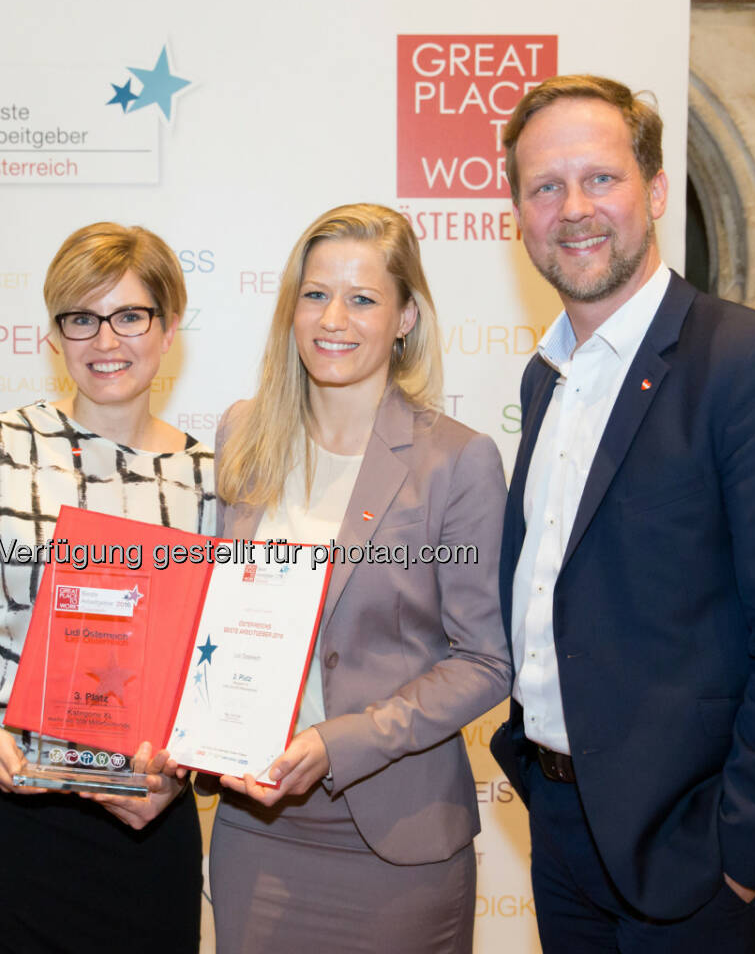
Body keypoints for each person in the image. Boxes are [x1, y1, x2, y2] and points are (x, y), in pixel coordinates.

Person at [488, 74, 755, 953]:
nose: (573, 208)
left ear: (655, 191)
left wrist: (747, 858)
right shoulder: (546, 378)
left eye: (601, 178)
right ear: (518, 214)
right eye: (545, 186)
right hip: (562, 830)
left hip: (695, 863)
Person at [207, 203, 512, 954]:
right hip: (257, 828)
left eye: (363, 298)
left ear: (405, 315)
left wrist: (342, 741)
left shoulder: (457, 461)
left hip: (397, 843)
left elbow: (485, 660)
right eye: (315, 294)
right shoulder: (242, 436)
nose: (332, 318)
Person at [0, 221, 212, 952]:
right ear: (54, 334)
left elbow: (214, 659)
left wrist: (180, 769)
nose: (105, 340)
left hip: (145, 810)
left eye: (130, 316)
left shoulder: (212, 480)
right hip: (5, 805)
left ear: (169, 328)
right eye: (81, 318)